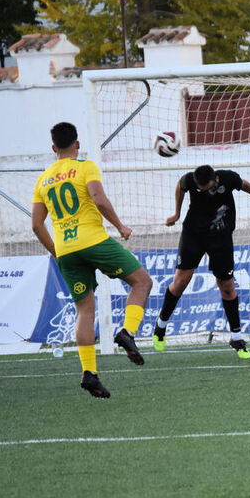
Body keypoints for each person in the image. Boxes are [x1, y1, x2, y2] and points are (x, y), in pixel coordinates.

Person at [31, 122, 154, 398]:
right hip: (93, 241)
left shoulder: (43, 179)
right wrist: (120, 226)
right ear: (77, 144)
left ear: (54, 148)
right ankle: (128, 333)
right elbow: (98, 199)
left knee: (85, 311)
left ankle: (89, 373)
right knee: (142, 282)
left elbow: (36, 226)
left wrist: (56, 251)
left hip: (65, 249)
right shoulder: (85, 166)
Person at [153, 165, 250, 359]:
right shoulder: (189, 180)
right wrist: (176, 214)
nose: (207, 191)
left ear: (215, 179)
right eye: (203, 188)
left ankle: (236, 337)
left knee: (226, 285)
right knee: (181, 281)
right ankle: (161, 326)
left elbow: (244, 184)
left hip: (221, 236)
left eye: (209, 187)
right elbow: (180, 187)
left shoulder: (228, 178)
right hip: (194, 234)